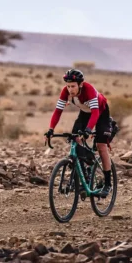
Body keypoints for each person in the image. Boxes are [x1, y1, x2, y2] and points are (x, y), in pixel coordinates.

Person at [45, 68, 113, 197]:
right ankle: (85, 177)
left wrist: (88, 130)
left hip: (101, 113)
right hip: (85, 113)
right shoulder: (65, 92)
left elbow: (95, 113)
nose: (70, 89)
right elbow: (58, 111)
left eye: (73, 86)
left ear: (80, 84)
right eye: (68, 86)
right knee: (75, 138)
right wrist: (51, 129)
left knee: (101, 146)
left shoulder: (89, 90)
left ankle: (108, 184)